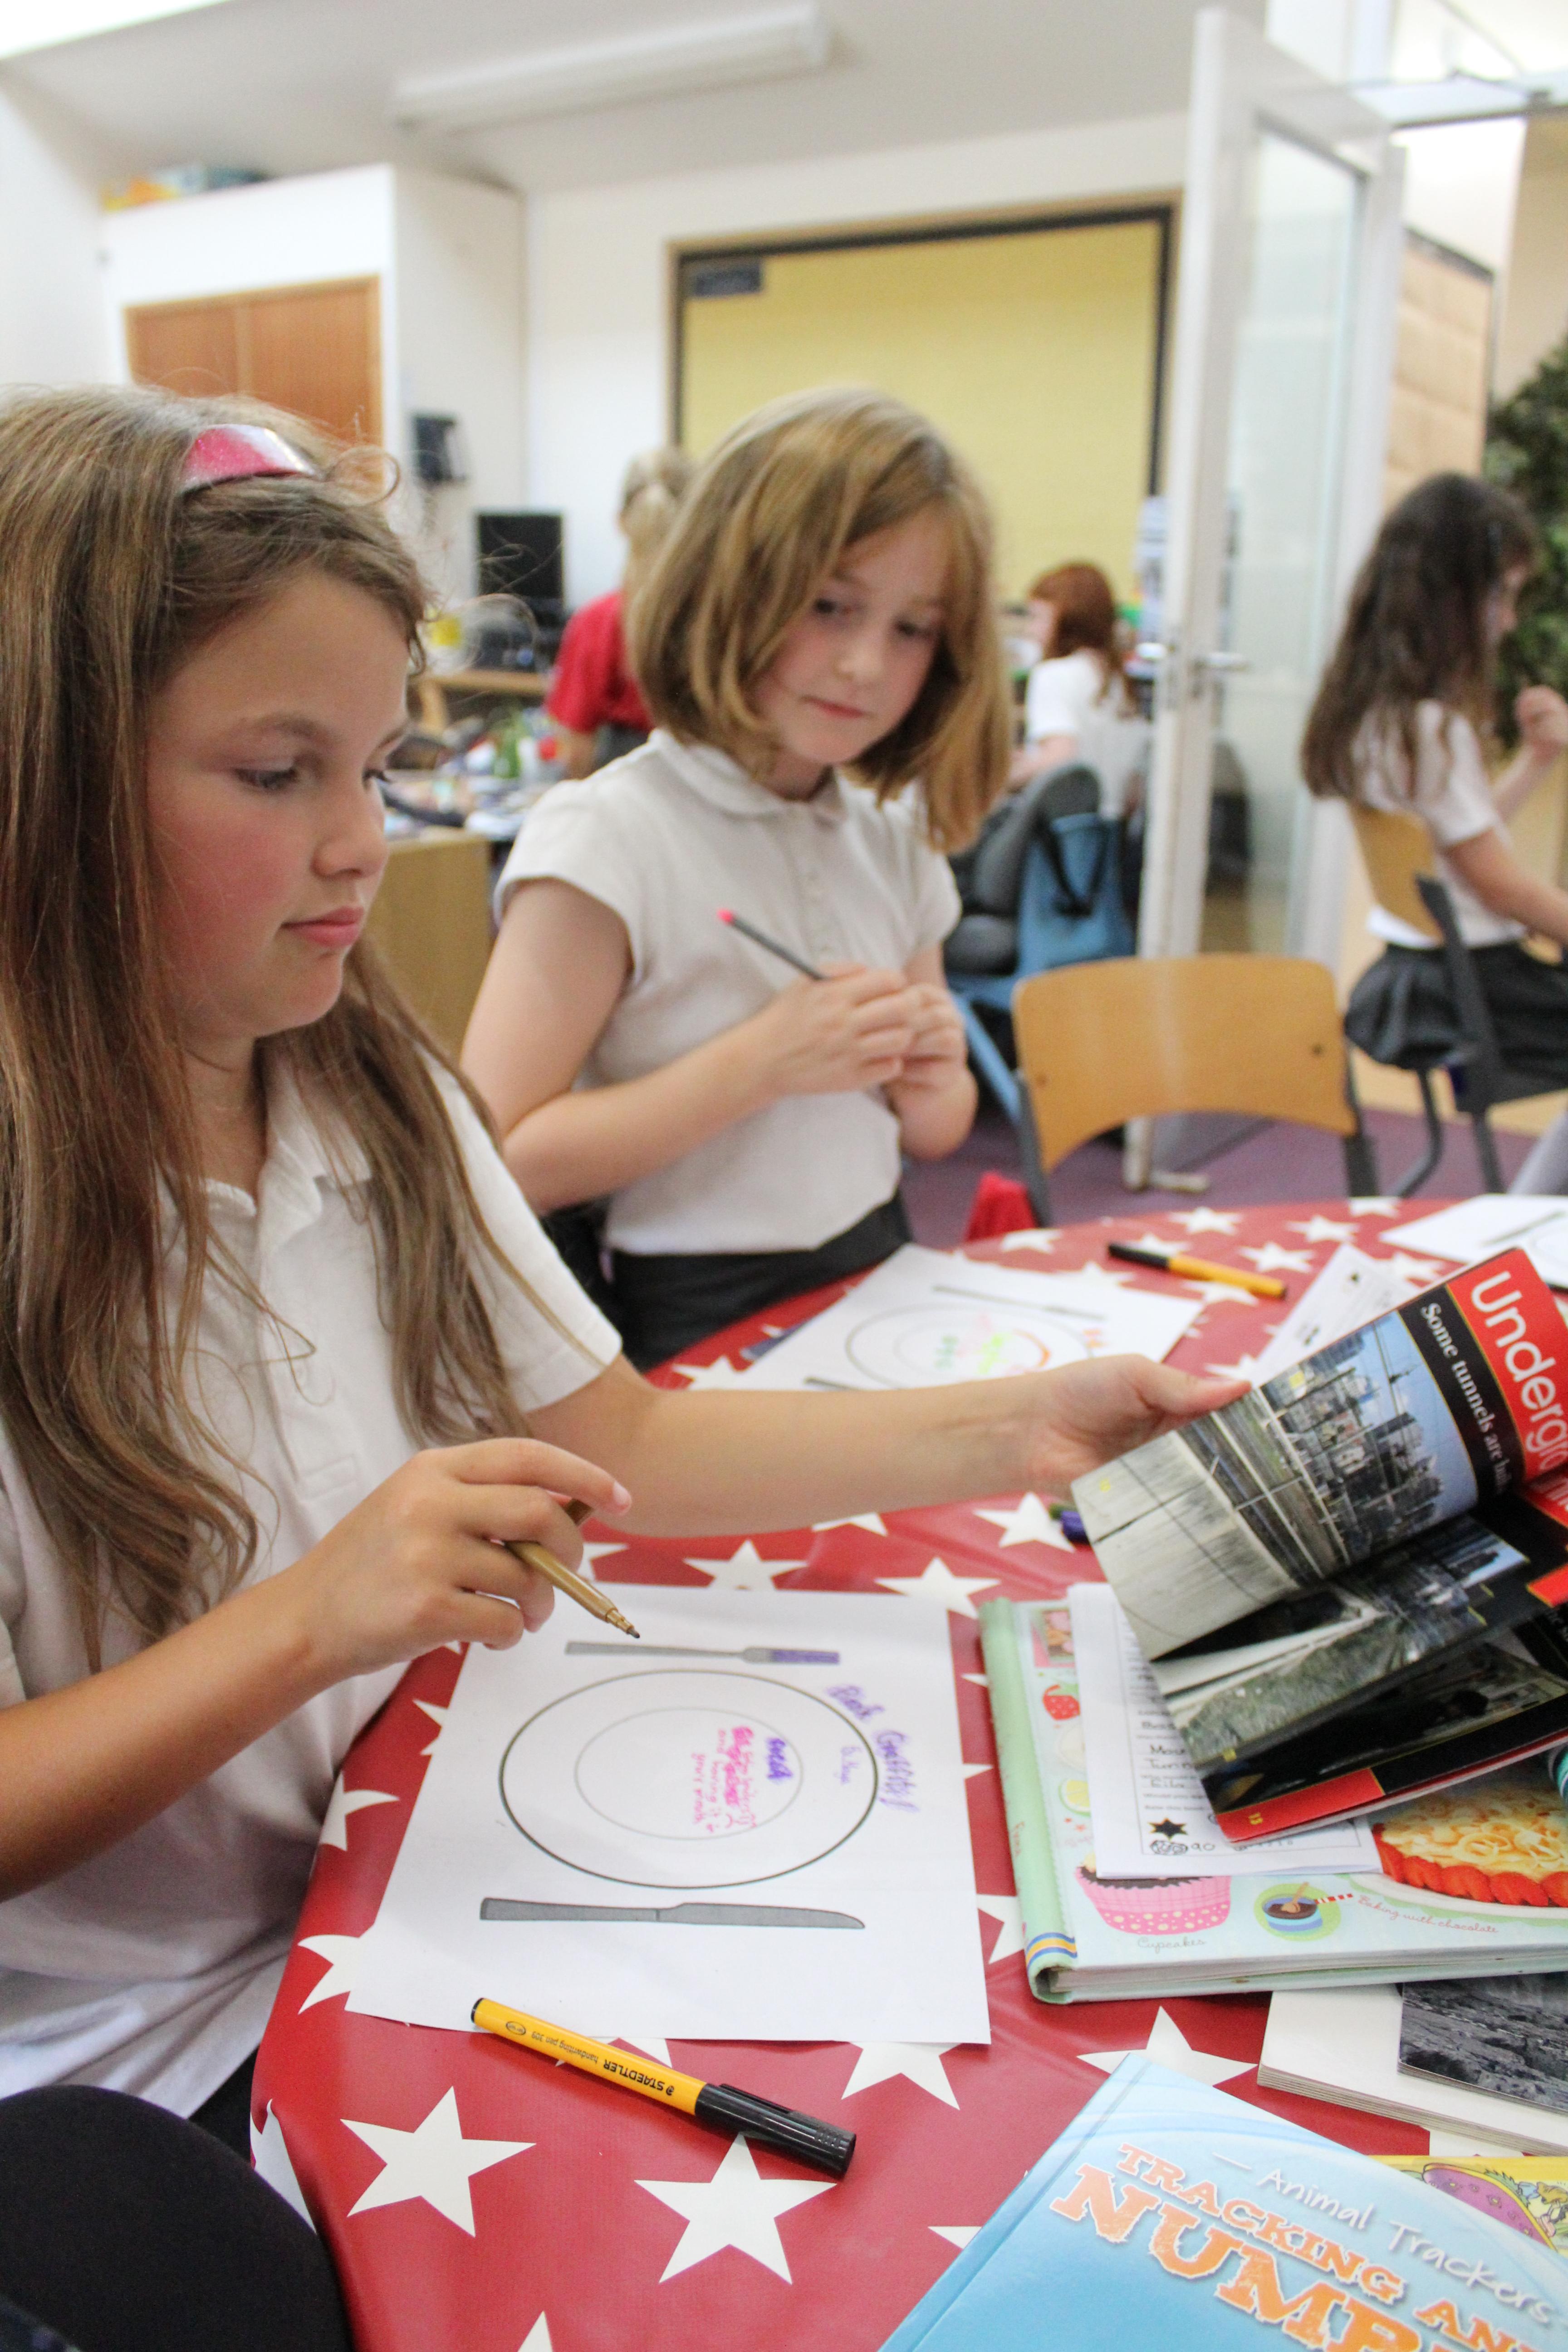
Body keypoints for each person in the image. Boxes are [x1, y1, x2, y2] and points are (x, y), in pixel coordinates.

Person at [0, 385, 1240, 2335]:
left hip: (429, 1881)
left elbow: (624, 1441)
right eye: (277, 772)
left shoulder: (368, 1089)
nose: (364, 843)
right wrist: (314, 1614)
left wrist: (1026, 1420)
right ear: (46, 775)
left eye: (381, 763)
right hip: (161, 2048)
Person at [463, 388, 1002, 1368]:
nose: (865, 664)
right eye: (830, 606)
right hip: (687, 1306)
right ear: (727, 586)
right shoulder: (607, 837)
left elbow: (935, 1129)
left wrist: (931, 1068)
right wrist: (763, 1064)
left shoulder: (891, 838)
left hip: (882, 1261)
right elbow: (498, 1158)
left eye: (913, 628)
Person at [1300, 473, 1568, 1136]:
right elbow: (1500, 886)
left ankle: (1538, 1187)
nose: (1509, 621)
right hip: (1482, 990)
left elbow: (1461, 844)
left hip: (1424, 975)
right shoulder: (1430, 729)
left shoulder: (1377, 715)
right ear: (1449, 598)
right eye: (1502, 597)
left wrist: (1536, 759)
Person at [545, 447, 693, 778]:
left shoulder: (599, 621)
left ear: (621, 522)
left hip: (624, 791)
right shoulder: (726, 620)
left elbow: (576, 751)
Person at [1012, 560, 1149, 819]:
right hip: (1110, 829)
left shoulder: (1053, 675)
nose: (1030, 630)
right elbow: (1134, 788)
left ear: (1067, 620)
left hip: (1062, 828)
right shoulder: (1119, 682)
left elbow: (1062, 757)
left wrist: (1006, 776)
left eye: (1037, 617)